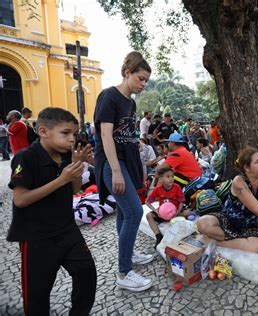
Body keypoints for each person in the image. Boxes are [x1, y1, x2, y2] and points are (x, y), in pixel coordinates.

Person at [7, 107, 96, 315]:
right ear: (43, 132)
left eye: (74, 134)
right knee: (38, 294)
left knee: (86, 274)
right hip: (37, 237)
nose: (72, 139)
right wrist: (61, 179)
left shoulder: (66, 156)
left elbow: (74, 190)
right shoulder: (26, 158)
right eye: (66, 133)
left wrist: (76, 167)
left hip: (67, 229)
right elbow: (20, 200)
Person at [93, 51, 154, 292]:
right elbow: (105, 135)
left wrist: (137, 144)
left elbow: (122, 133)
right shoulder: (109, 96)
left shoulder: (131, 102)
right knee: (134, 211)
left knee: (122, 211)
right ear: (127, 73)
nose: (143, 84)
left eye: (146, 80)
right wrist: (116, 171)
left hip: (127, 161)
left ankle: (127, 254)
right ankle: (124, 271)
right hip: (111, 163)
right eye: (140, 78)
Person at [145, 166, 186, 248]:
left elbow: (181, 201)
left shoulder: (176, 187)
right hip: (163, 214)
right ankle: (158, 236)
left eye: (172, 176)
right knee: (148, 215)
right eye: (168, 176)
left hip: (175, 213)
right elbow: (147, 202)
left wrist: (178, 211)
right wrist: (156, 211)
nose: (171, 179)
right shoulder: (158, 189)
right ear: (161, 178)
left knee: (187, 213)